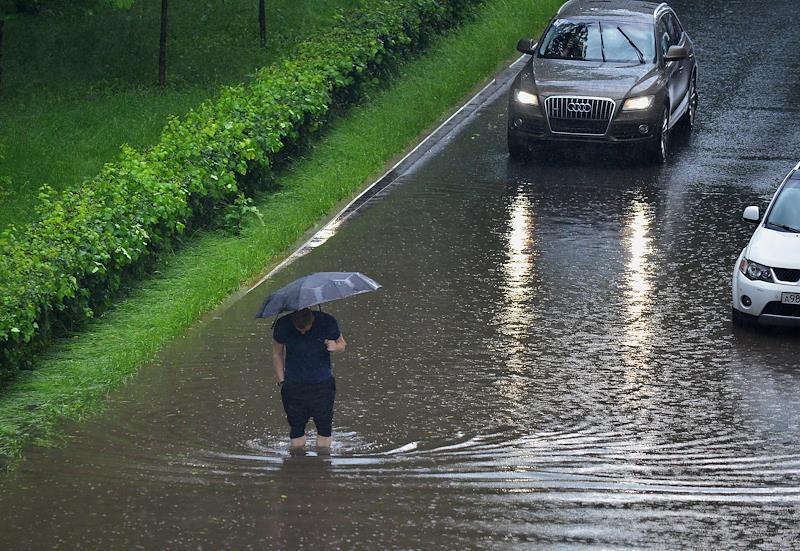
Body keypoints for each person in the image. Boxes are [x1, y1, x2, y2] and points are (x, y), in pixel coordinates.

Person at [272, 307, 346, 453]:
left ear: (312, 320)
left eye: (306, 328)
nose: (303, 332)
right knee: (296, 427)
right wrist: (282, 381)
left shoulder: (327, 321)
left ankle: (323, 464)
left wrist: (335, 347)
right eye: (299, 330)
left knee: (324, 427)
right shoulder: (282, 325)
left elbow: (342, 344)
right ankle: (298, 463)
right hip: (293, 385)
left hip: (322, 384)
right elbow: (277, 353)